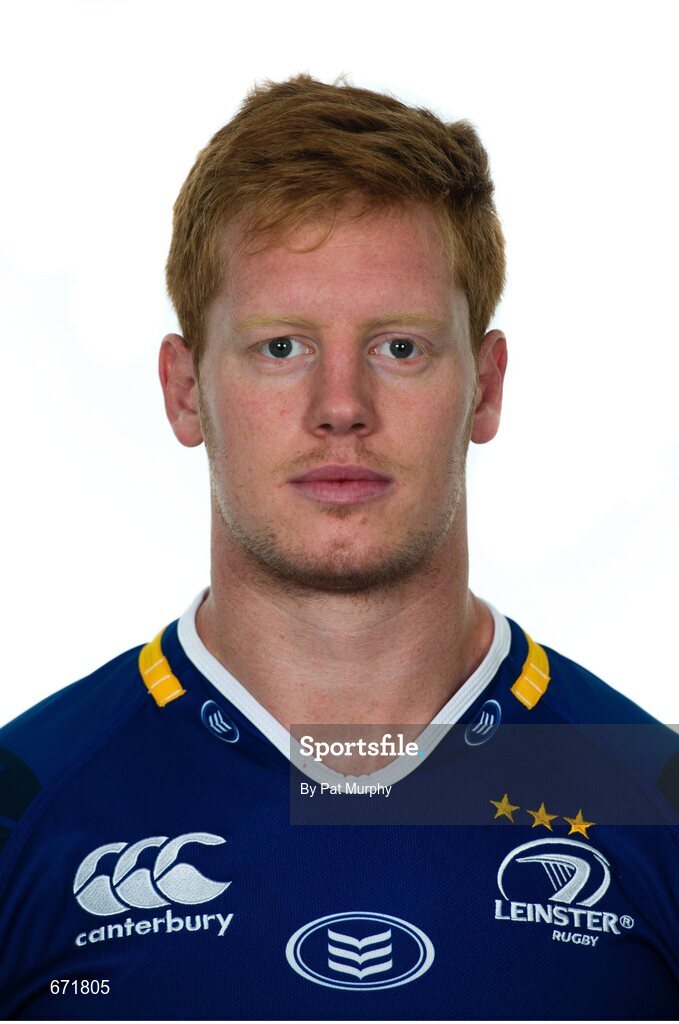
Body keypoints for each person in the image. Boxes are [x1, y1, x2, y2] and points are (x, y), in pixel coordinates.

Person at [0, 73, 676, 1021]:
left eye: (399, 347)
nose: (341, 407)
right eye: (282, 347)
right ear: (185, 390)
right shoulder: (22, 809)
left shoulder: (650, 798)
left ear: (483, 389)